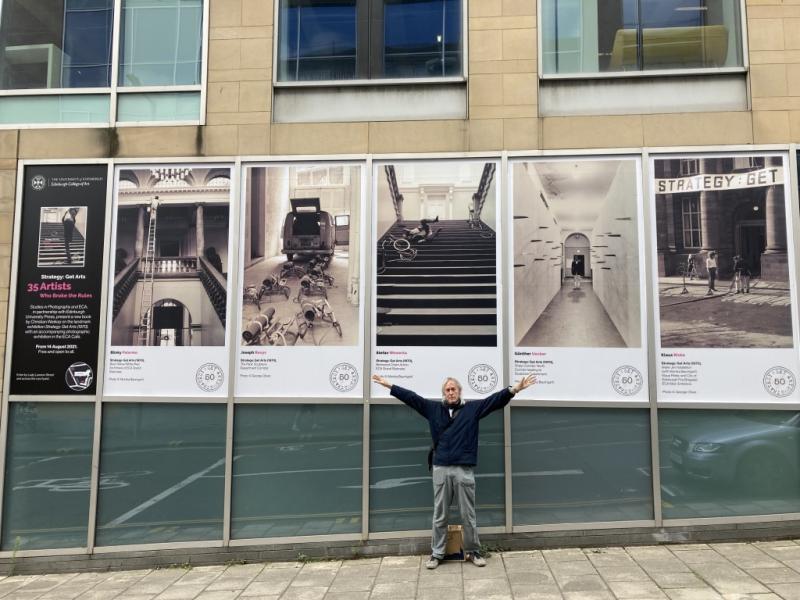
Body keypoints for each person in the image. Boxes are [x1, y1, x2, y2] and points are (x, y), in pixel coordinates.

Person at [372, 372, 536, 570]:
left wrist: (514, 389)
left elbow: (495, 401)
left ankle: (474, 551)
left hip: (463, 468)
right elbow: (412, 398)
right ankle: (437, 553)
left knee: (468, 514)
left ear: (459, 391)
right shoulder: (433, 409)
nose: (451, 392)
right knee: (440, 514)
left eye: (454, 389)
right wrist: (390, 386)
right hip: (441, 467)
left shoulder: (472, 409)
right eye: (448, 390)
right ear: (444, 393)